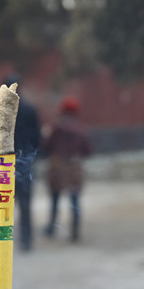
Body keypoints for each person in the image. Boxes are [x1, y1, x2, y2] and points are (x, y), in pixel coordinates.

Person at [0, 74, 40, 251]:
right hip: (23, 163)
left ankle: (0, 241)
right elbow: (37, 138)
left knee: (0, 204)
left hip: (0, 166)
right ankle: (25, 239)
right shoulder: (29, 110)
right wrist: (31, 157)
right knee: (24, 204)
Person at [43, 97, 92, 242]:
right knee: (74, 200)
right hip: (74, 168)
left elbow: (46, 146)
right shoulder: (81, 128)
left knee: (55, 199)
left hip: (57, 166)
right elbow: (88, 150)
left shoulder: (55, 127)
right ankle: (75, 231)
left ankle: (52, 227)